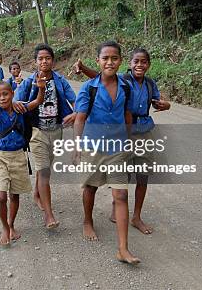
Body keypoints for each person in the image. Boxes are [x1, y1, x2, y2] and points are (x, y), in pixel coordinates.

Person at [73, 49, 171, 235]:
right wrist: (84, 68)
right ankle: (113, 210)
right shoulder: (123, 80)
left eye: (144, 62)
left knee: (143, 176)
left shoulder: (150, 84)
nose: (139, 65)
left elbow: (160, 101)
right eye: (136, 61)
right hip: (121, 133)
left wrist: (167, 105)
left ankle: (136, 217)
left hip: (143, 132)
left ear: (149, 65)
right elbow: (100, 77)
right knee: (121, 177)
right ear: (129, 63)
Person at [73, 40, 139, 265]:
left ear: (120, 61)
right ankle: (87, 220)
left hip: (118, 148)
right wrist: (77, 145)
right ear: (98, 61)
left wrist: (129, 141)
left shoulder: (126, 87)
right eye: (105, 58)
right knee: (90, 187)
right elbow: (80, 119)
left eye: (114, 58)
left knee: (121, 195)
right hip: (93, 146)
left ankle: (123, 248)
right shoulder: (88, 88)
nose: (110, 62)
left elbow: (128, 115)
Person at [13, 44, 76, 229]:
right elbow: (15, 99)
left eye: (47, 58)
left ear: (53, 61)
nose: (44, 61)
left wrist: (76, 112)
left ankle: (36, 194)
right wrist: (18, 104)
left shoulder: (60, 81)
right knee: (45, 171)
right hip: (36, 132)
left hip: (57, 131)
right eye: (40, 59)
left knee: (45, 168)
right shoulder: (29, 82)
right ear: (35, 62)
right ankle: (49, 215)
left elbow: (75, 100)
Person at [0, 78, 46, 246]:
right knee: (2, 196)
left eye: (5, 94)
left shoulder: (20, 109)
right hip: (0, 157)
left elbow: (38, 101)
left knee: (14, 195)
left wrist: (41, 88)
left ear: (12, 94)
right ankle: (5, 227)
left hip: (19, 156)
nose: (2, 98)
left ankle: (11, 224)